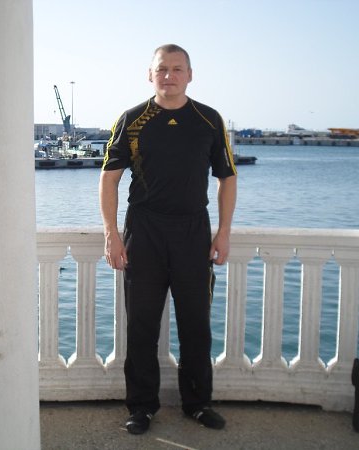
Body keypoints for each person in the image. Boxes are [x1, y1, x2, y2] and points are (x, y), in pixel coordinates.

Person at [99, 44, 238, 435]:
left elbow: (227, 178)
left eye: (178, 69)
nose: (169, 76)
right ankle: (141, 407)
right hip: (144, 232)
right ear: (150, 74)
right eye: (162, 69)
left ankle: (197, 403)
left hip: (193, 232)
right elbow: (109, 178)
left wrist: (223, 232)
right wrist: (112, 234)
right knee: (142, 325)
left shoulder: (208, 120)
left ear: (190, 75)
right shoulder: (131, 120)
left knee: (196, 324)